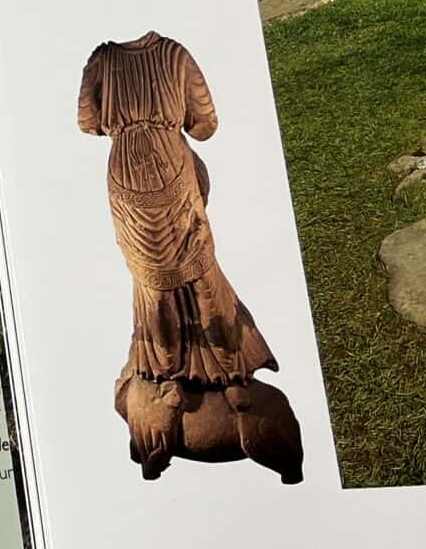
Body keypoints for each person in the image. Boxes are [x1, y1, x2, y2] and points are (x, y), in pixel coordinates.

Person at [78, 32, 301, 482]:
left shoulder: (100, 60)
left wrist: (122, 123)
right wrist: (163, 117)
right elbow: (205, 125)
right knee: (200, 274)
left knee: (151, 282)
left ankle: (167, 380)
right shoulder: (174, 54)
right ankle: (231, 375)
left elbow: (87, 122)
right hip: (172, 165)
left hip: (125, 174)